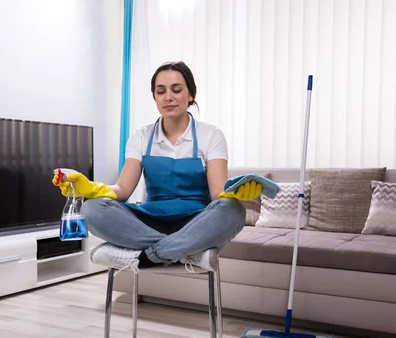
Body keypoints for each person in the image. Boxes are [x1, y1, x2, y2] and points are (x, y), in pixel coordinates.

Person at [52, 61, 261, 273]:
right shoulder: (141, 137)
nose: (168, 97)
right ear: (155, 97)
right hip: (149, 221)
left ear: (190, 95)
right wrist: (91, 188)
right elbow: (123, 190)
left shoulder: (211, 136)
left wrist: (235, 194)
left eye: (176, 90)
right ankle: (184, 250)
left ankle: (151, 255)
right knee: (92, 209)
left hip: (196, 220)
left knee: (233, 211)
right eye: (160, 91)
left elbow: (218, 195)